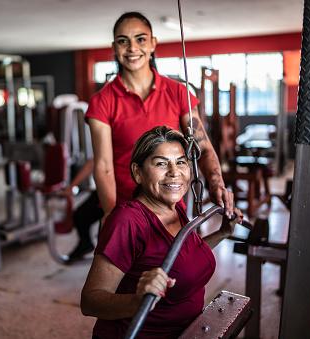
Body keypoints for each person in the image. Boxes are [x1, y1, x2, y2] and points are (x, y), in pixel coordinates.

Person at [81, 126, 243, 338]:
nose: (174, 172)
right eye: (161, 163)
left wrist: (222, 233)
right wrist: (139, 301)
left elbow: (182, 256)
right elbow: (90, 301)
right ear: (138, 173)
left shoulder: (174, 209)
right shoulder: (128, 221)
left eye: (181, 162)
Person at [86, 12, 233, 222]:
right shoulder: (102, 101)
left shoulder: (178, 92)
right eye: (123, 41)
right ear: (114, 47)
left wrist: (217, 184)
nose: (132, 48)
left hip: (171, 207)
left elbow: (203, 148)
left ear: (153, 43)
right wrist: (112, 216)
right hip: (128, 211)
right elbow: (104, 166)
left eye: (140, 39)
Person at [62, 158, 104, 261]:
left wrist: (71, 186)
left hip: (115, 188)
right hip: (109, 187)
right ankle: (86, 244)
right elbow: (94, 162)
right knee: (80, 216)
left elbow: (94, 163)